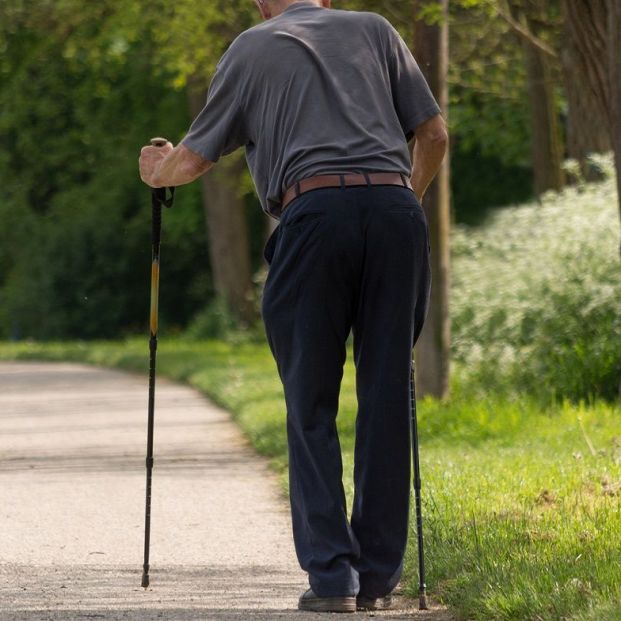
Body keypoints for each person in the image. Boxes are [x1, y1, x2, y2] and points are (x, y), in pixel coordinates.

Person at [139, 0, 447, 614]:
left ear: (259, 2)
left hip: (313, 217)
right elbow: (434, 135)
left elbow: (192, 160)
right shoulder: (376, 31)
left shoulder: (251, 49)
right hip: (395, 214)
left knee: (310, 399)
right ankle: (380, 577)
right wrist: (397, 200)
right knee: (387, 391)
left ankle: (334, 579)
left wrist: (155, 172)